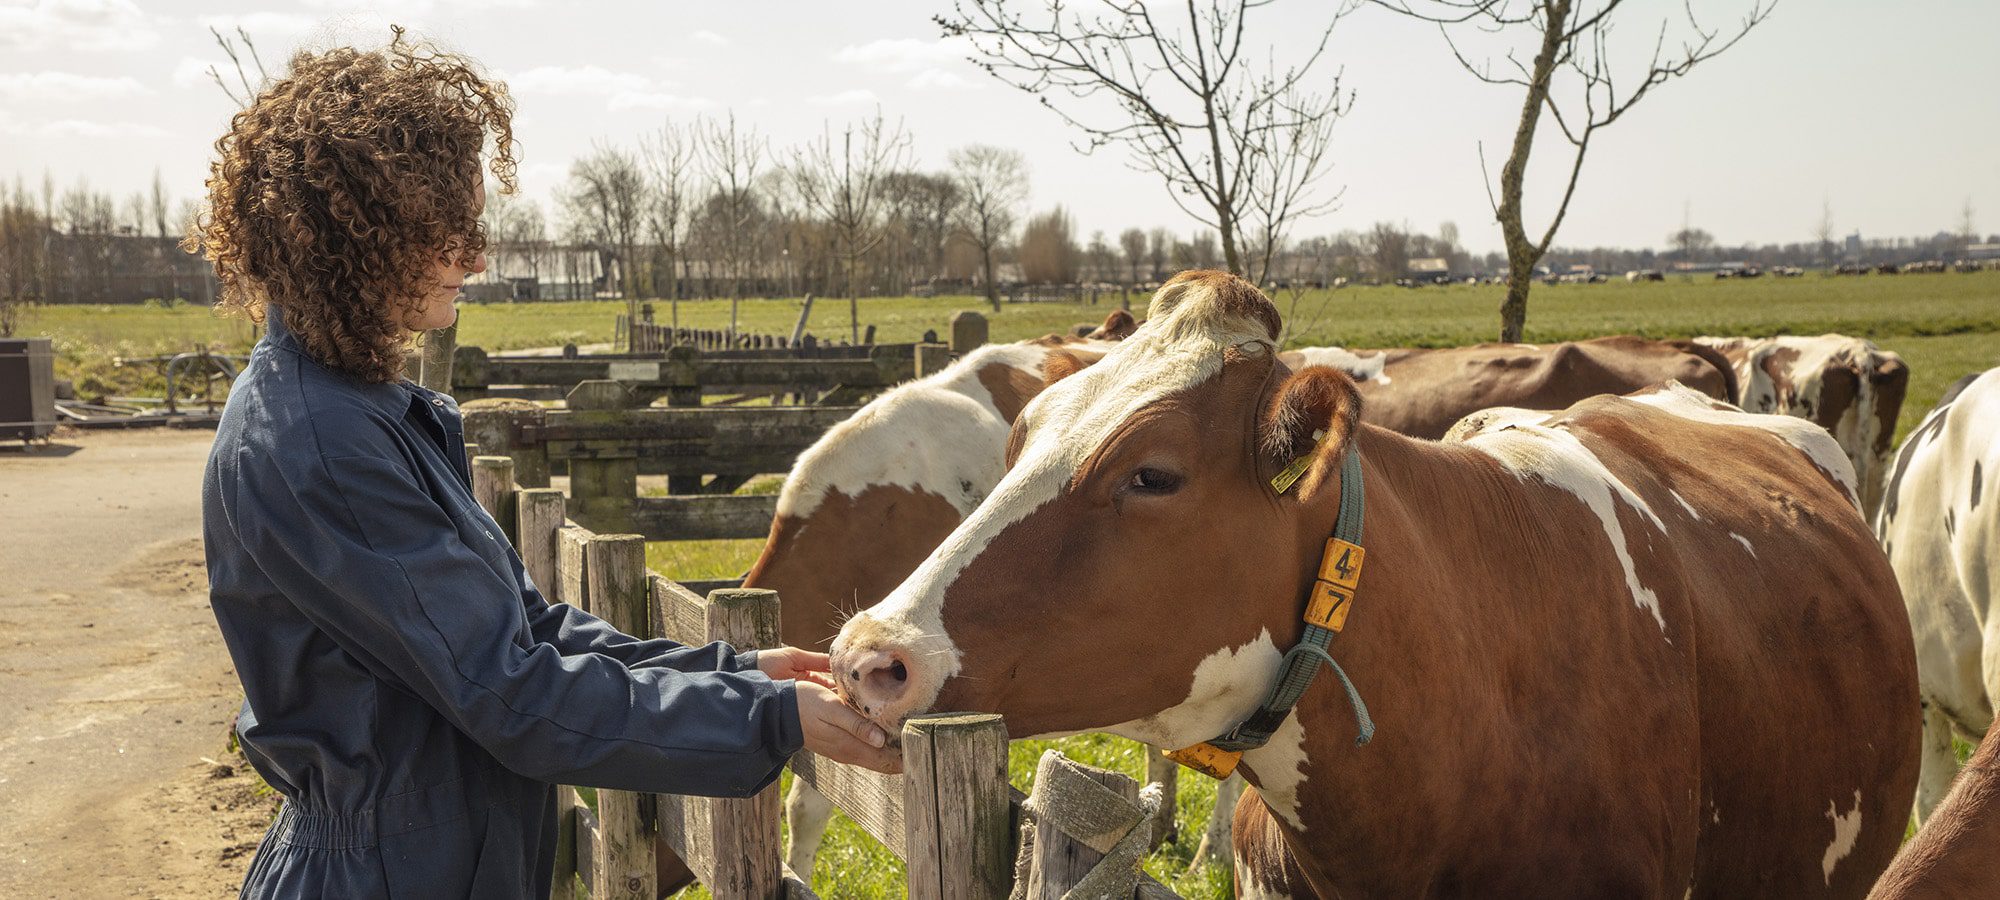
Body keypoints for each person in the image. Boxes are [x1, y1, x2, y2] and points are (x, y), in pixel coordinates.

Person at [188, 30, 900, 898]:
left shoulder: (361, 410)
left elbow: (529, 631)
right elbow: (512, 694)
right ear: (358, 238)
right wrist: (767, 718)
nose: (477, 258)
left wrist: (732, 673)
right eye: (449, 232)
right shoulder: (323, 446)